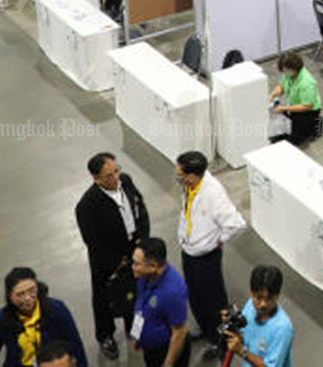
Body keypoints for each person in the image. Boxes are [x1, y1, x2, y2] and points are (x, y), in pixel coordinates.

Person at [75, 152, 151, 361]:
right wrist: (117, 261)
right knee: (105, 299)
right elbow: (93, 241)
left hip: (133, 247)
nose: (116, 177)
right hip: (108, 260)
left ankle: (132, 326)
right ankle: (105, 335)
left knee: (133, 289)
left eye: (117, 171)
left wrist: (143, 239)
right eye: (109, 175)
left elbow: (140, 208)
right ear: (96, 178)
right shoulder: (87, 205)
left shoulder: (126, 182)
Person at [175, 151, 247, 361]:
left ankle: (221, 341)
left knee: (213, 300)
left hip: (206, 256)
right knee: (195, 295)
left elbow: (237, 224)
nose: (178, 179)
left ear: (193, 175)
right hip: (189, 250)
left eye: (181, 175)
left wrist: (218, 240)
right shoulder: (189, 186)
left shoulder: (214, 194)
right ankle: (206, 329)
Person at [0, 267, 89, 367]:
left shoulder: (56, 309)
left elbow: (75, 345)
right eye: (20, 294)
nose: (27, 298)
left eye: (32, 290)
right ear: (10, 297)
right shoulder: (2, 318)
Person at [131, 238, 191, 367]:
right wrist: (138, 335)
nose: (133, 267)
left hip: (163, 351)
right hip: (149, 348)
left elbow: (179, 332)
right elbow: (142, 304)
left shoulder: (173, 291)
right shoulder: (145, 277)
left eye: (137, 264)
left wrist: (168, 364)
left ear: (153, 266)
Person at [222, 265, 294, 367]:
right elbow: (243, 335)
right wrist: (231, 327)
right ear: (251, 293)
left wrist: (242, 351)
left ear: (277, 295)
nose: (263, 304)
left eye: (269, 298)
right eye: (258, 298)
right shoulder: (250, 306)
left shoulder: (283, 329)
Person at [269, 50, 323, 145]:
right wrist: (272, 94)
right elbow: (282, 86)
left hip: (309, 111)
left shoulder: (307, 83)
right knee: (282, 128)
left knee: (294, 140)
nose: (284, 73)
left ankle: (314, 125)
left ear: (293, 69)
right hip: (295, 105)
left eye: (285, 70)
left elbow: (307, 106)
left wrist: (285, 108)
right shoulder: (289, 75)